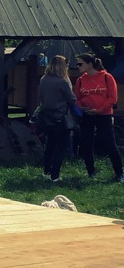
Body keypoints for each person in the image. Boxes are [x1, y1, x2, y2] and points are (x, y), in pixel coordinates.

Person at [74, 53, 123, 182]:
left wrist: (99, 110)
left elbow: (113, 98)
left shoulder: (107, 77)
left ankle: (119, 173)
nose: (78, 66)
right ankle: (91, 172)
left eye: (80, 64)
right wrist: (81, 107)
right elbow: (77, 99)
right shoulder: (80, 80)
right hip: (88, 114)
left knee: (110, 143)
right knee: (86, 143)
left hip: (104, 114)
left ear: (90, 64)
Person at [37, 55, 79, 183]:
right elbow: (71, 99)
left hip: (46, 116)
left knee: (50, 145)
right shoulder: (62, 81)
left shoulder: (44, 79)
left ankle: (46, 172)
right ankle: (55, 175)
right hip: (60, 117)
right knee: (61, 147)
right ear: (63, 66)